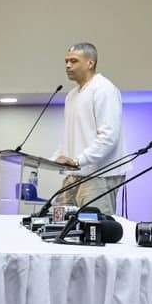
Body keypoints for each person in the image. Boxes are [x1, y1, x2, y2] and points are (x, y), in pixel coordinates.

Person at [51, 42, 127, 215]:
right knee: (61, 225)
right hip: (74, 174)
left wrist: (78, 160)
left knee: (93, 230)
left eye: (73, 61)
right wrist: (53, 159)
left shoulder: (104, 89)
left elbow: (108, 136)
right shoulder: (71, 95)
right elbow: (68, 137)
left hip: (99, 175)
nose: (68, 65)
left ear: (90, 63)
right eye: (66, 61)